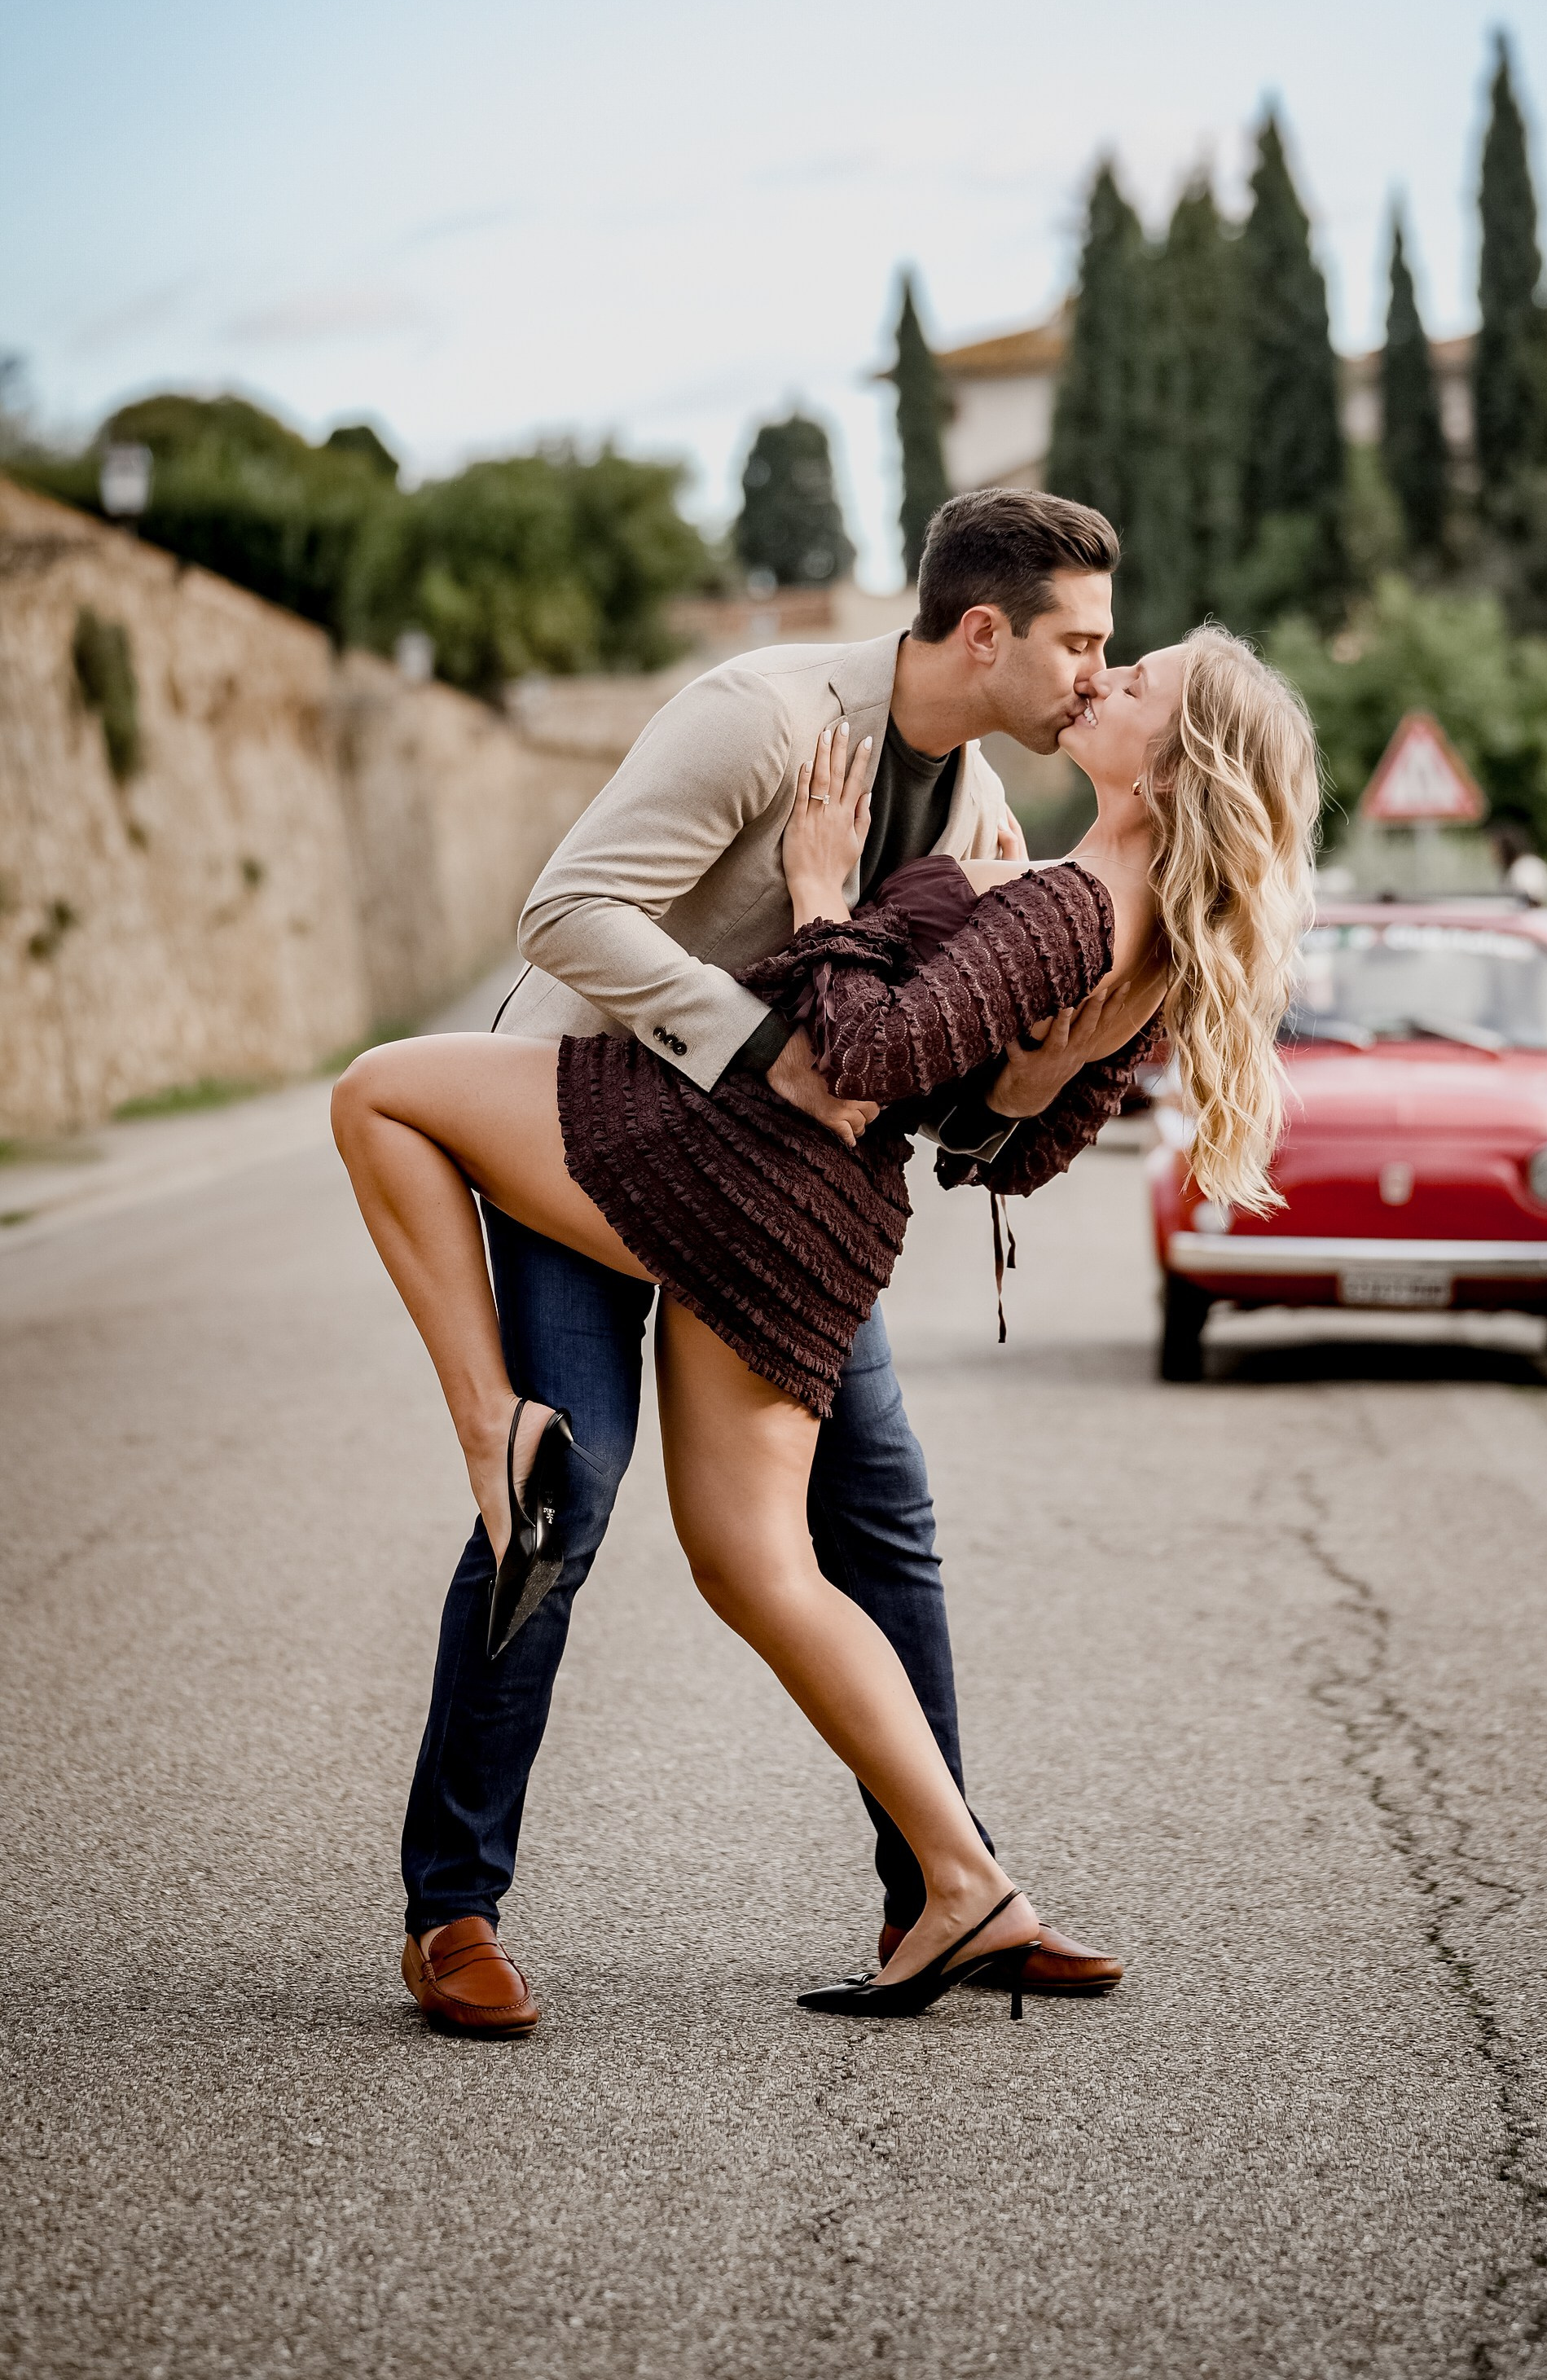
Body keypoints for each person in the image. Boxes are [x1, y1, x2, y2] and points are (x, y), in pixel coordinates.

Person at [334, 607, 1320, 2024]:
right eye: (1091, 644)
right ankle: (479, 1908)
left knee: (376, 1096)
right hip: (739, 1164)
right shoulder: (793, 725)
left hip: (718, 1170)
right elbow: (1006, 1144)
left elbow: (871, 1060)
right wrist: (1026, 1079)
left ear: (1170, 768)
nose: (1101, 674)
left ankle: (949, 1883)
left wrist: (817, 897)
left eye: (1130, 667)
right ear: (985, 634)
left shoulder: (1046, 877)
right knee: (713, 1544)